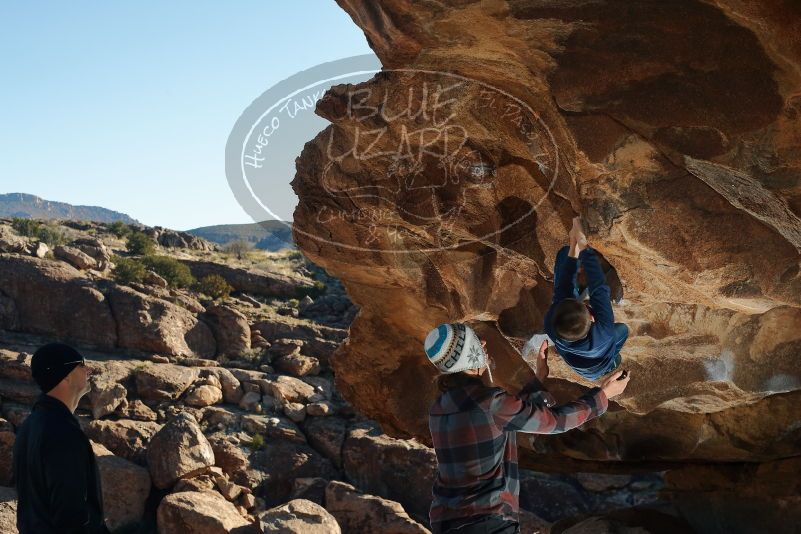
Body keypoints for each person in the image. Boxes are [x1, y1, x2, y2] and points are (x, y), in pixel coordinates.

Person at [425, 322, 629, 533]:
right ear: (470, 354)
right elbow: (555, 421)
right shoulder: (491, 403)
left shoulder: (439, 409)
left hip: (449, 523)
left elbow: (500, 420)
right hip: (487, 523)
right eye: (476, 340)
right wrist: (603, 395)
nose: (483, 342)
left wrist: (538, 378)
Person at [12, 342, 109, 534]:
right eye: (81, 364)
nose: (88, 369)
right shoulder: (61, 431)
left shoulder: (30, 426)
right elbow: (71, 513)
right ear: (65, 375)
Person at [543, 217, 629, 380]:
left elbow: (567, 286)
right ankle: (610, 364)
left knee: (564, 256)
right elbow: (599, 288)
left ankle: (602, 367)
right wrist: (582, 243)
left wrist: (574, 244)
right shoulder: (604, 332)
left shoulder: (551, 322)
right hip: (600, 362)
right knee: (623, 330)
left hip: (580, 365)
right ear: (591, 319)